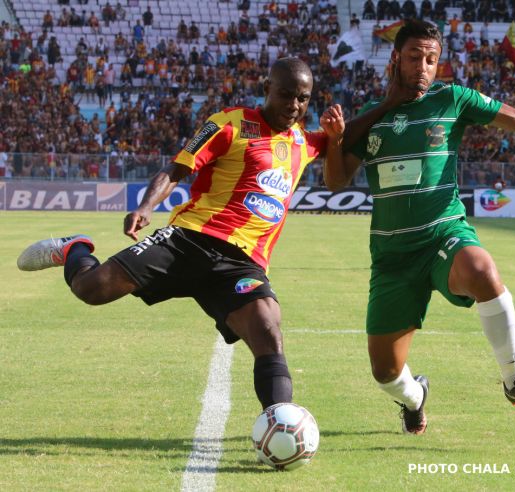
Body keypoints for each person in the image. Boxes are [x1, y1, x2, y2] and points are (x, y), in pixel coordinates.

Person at [320, 20, 515, 435]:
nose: (423, 67)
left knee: (482, 270)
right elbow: (334, 181)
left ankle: (514, 380)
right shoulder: (370, 121)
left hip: (442, 234)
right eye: (414, 58)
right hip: (392, 256)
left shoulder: (452, 99)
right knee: (386, 373)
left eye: (431, 59)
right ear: (395, 59)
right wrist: (336, 141)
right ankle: (415, 397)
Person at [17, 58, 341, 413]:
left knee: (268, 331)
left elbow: (355, 137)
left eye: (303, 98)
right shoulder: (229, 123)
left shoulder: (304, 142)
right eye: (285, 95)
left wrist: (386, 105)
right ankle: (73, 249)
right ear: (266, 90)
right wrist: (145, 207)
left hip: (242, 263)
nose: (294, 106)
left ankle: (281, 423)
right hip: (190, 240)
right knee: (91, 289)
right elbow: (176, 169)